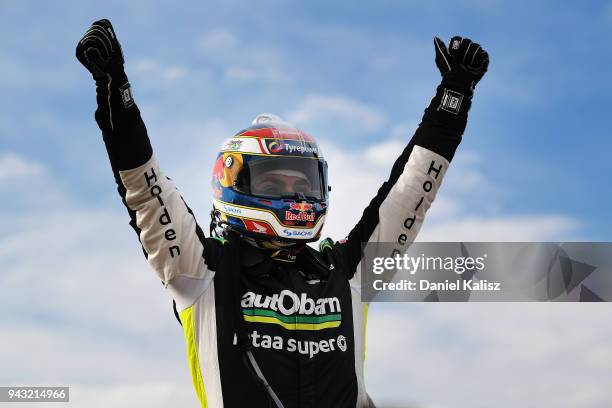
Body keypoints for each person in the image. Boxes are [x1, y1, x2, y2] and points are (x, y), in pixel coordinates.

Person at [76, 19, 488, 408]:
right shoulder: (201, 270)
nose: (297, 198)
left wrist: (453, 99)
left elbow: (410, 194)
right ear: (233, 184)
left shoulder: (346, 270)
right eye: (276, 185)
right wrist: (116, 92)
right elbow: (147, 192)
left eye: (305, 185)